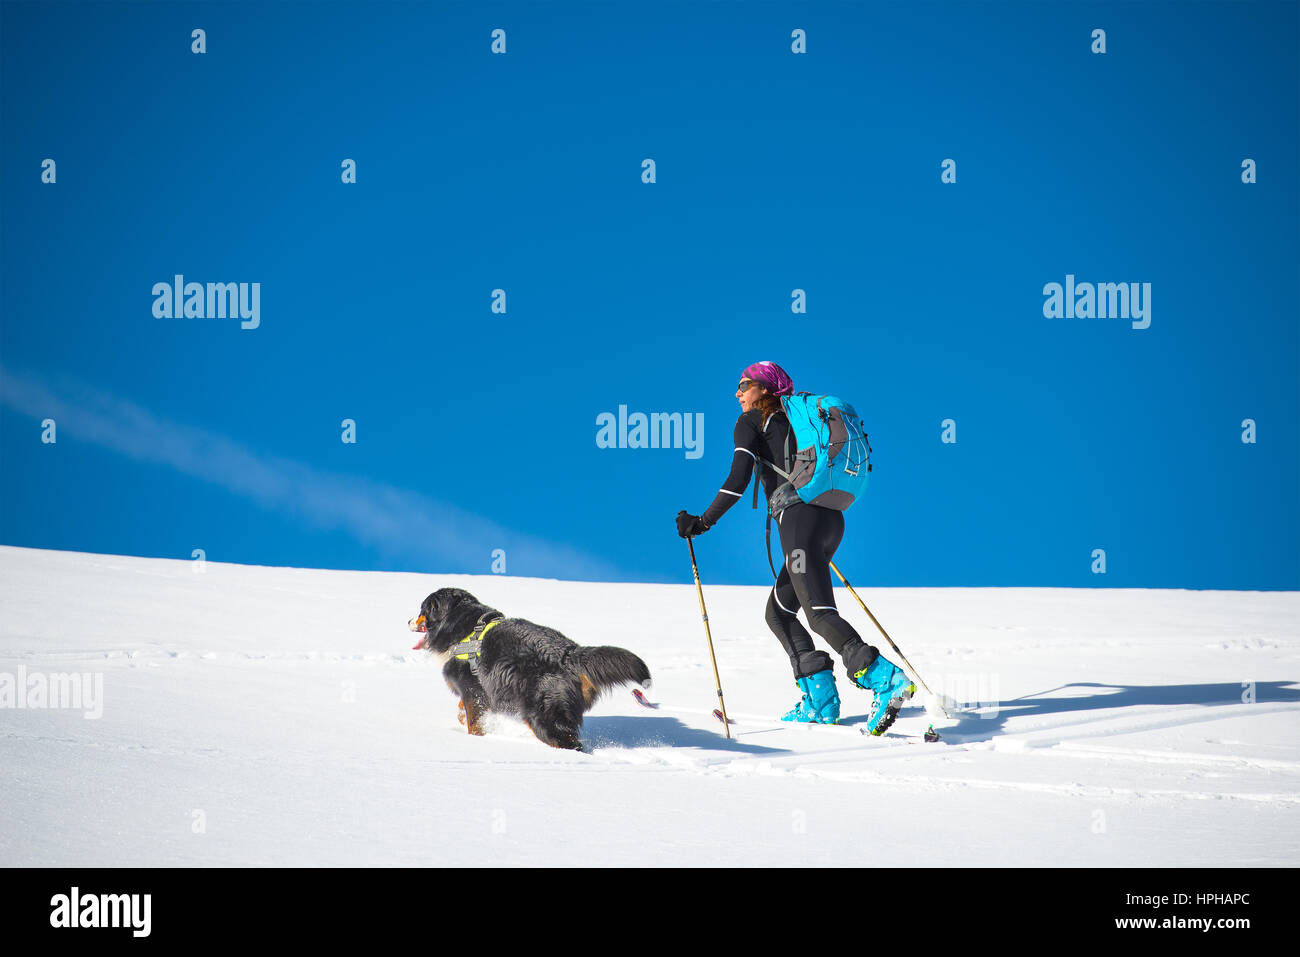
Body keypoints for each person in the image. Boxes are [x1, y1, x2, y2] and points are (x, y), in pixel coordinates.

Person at [675, 360, 915, 734]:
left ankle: (885, 680)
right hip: (831, 519)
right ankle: (821, 700)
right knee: (779, 612)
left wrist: (702, 522)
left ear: (765, 390)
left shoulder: (753, 422)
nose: (737, 393)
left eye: (744, 385)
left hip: (800, 521)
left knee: (818, 614)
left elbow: (738, 478)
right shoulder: (799, 423)